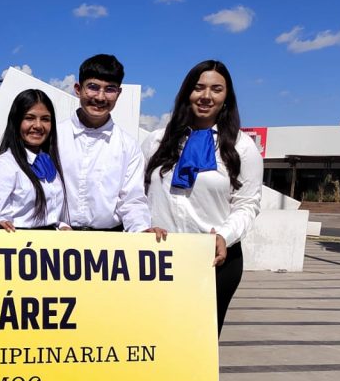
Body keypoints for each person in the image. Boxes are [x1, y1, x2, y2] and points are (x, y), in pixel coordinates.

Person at [142, 59, 262, 333]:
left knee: (198, 344)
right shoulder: (157, 140)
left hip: (213, 260)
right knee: (156, 338)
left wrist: (224, 236)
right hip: (159, 259)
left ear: (226, 97)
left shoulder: (241, 147)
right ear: (187, 92)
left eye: (216, 89)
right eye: (199, 88)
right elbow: (137, 194)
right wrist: (143, 226)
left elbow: (247, 204)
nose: (206, 96)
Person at [59, 54, 164, 240]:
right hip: (55, 239)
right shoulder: (54, 137)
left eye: (109, 89)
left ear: (119, 93)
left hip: (108, 245)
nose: (100, 97)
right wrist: (59, 225)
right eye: (93, 87)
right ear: (78, 89)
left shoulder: (128, 146)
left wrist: (141, 230)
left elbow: (132, 200)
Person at [0, 89, 68, 231]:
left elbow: (52, 215)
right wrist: (0, 225)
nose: (38, 125)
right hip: (21, 241)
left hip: (52, 241)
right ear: (16, 122)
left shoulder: (51, 162)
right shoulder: (5, 165)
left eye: (45, 119)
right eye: (29, 118)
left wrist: (62, 225)